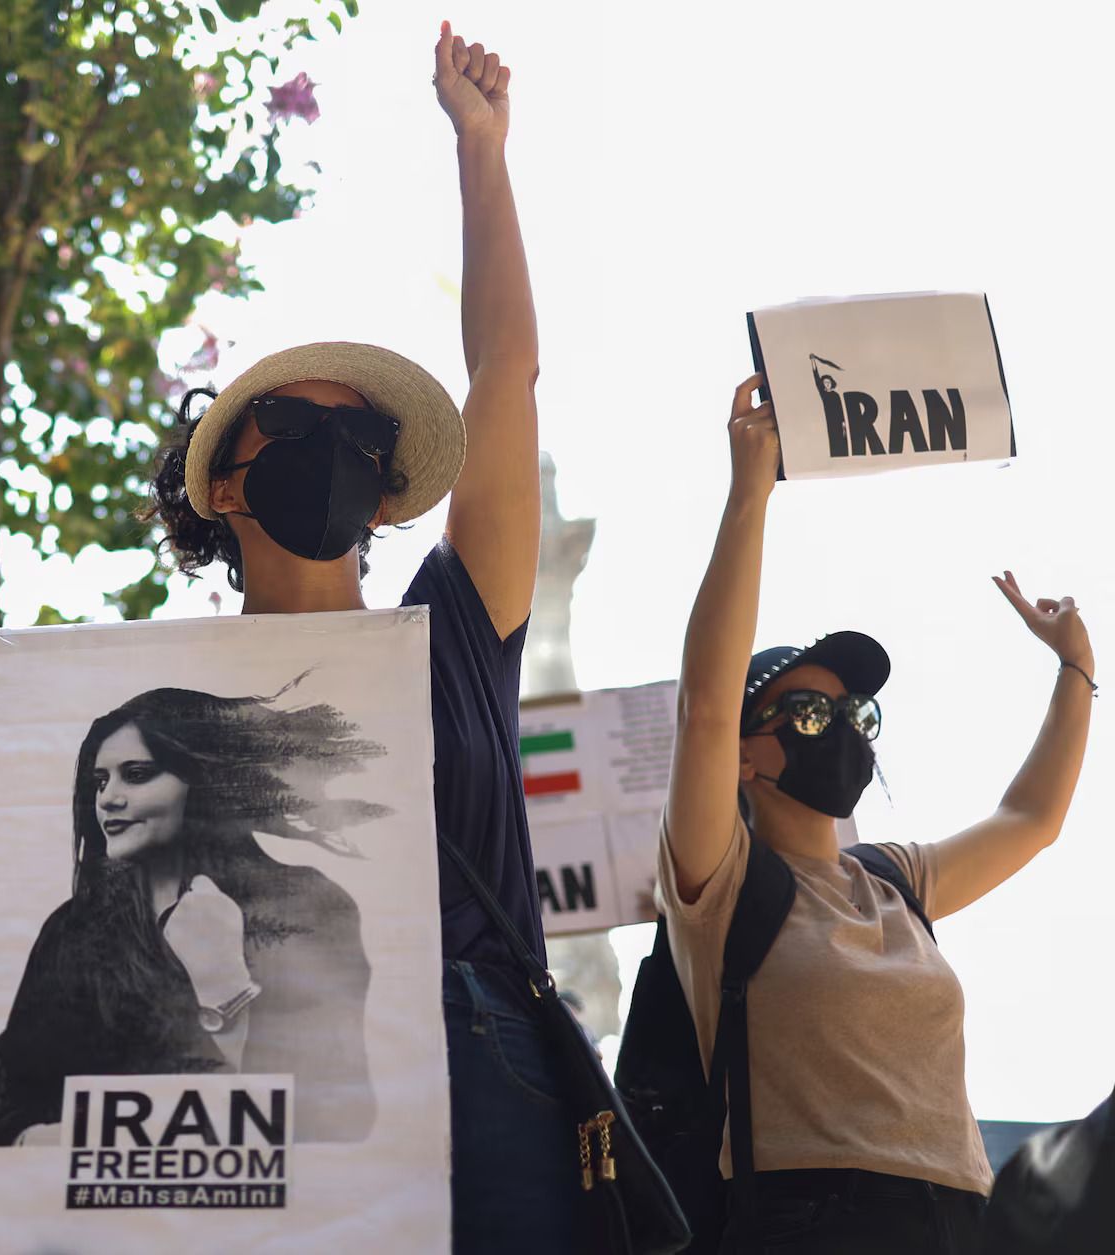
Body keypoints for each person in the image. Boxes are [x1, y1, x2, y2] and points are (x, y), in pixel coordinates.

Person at [142, 23, 579, 1250]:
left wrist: (481, 152)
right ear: (224, 487)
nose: (332, 447)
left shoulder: (452, 630)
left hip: (483, 1064)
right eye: (289, 423)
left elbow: (508, 372)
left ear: (388, 495)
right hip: (264, 1092)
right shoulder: (165, 709)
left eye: (361, 439)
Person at [658, 374, 1094, 1254]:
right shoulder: (720, 882)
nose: (844, 730)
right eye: (809, 713)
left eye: (856, 714)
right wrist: (751, 488)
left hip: (958, 1219)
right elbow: (706, 703)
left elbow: (1032, 817)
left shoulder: (896, 881)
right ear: (745, 755)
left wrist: (1076, 671)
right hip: (814, 1225)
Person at [0, 685, 379, 1148]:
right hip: (91, 1214)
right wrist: (51, 1139)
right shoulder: (75, 929)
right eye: (100, 781)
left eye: (136, 775)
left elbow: (335, 1111)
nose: (108, 799)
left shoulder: (305, 904)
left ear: (202, 783)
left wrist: (224, 987)